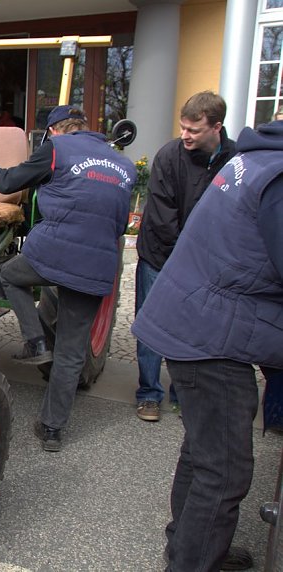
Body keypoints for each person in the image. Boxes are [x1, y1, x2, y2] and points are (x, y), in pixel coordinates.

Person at [132, 119, 283, 572]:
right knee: (225, 471)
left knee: (202, 454)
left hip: (193, 320)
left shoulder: (252, 160)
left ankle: (189, 548)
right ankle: (194, 560)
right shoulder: (275, 176)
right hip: (211, 335)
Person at [0, 105, 134, 452]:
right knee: (72, 351)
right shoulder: (123, 165)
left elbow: (8, 181)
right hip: (98, 263)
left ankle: (34, 340)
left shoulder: (56, 149)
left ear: (53, 131)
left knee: (11, 274)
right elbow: (121, 224)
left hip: (56, 253)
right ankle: (51, 430)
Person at [134, 91, 236, 422]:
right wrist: (187, 257)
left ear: (216, 127)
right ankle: (149, 393)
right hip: (160, 254)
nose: (185, 136)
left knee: (193, 330)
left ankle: (182, 393)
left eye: (193, 130)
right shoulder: (169, 156)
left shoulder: (234, 160)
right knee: (152, 326)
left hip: (207, 262)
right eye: (182, 128)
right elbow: (162, 217)